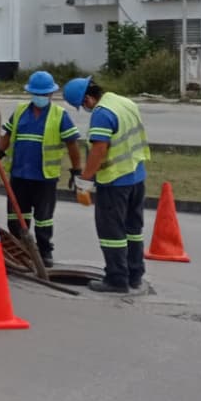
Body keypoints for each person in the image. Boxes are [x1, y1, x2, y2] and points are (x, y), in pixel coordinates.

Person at [63, 76, 151, 293]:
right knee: (133, 229)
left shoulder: (102, 114)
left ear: (88, 99)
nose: (85, 109)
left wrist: (85, 180)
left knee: (111, 232)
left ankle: (116, 279)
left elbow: (99, 150)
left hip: (115, 181)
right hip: (137, 175)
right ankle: (134, 274)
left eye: (83, 105)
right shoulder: (124, 102)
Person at [0, 71, 82, 267]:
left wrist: (77, 170)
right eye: (37, 94)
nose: (40, 98)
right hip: (19, 175)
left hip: (44, 177)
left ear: (51, 95)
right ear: (30, 93)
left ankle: (44, 252)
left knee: (43, 219)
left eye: (44, 95)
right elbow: (7, 133)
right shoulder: (19, 111)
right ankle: (21, 250)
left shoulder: (59, 115)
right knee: (17, 216)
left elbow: (72, 144)